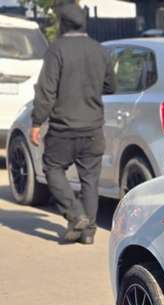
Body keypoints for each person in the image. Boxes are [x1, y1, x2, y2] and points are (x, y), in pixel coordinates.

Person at [30, 2, 114, 245]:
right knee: (90, 179)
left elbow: (46, 90)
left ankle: (76, 215)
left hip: (63, 128)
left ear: (63, 24)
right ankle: (88, 232)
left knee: (52, 168)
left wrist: (37, 121)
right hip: (93, 128)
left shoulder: (57, 50)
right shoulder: (99, 50)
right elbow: (111, 86)